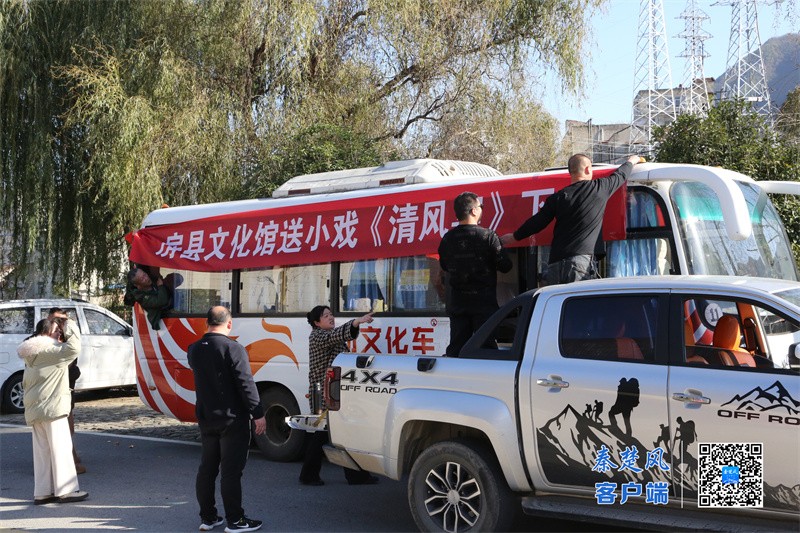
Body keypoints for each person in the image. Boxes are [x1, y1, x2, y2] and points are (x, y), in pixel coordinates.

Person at [501, 154, 641, 286]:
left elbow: (537, 222)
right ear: (587, 169)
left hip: (554, 264)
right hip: (580, 264)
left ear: (571, 172)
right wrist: (632, 160)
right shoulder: (598, 188)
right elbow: (621, 175)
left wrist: (514, 236)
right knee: (579, 303)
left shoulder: (558, 197)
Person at [187, 306, 265, 533]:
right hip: (232, 419)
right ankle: (236, 520)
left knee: (207, 469)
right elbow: (246, 383)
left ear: (207, 323)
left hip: (207, 417)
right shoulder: (233, 348)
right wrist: (258, 413)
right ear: (229, 324)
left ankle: (208, 517)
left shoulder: (194, 349)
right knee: (231, 472)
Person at [299, 305, 379, 486]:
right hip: (323, 392)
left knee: (341, 432)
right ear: (317, 323)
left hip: (332, 391)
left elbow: (342, 335)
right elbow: (338, 335)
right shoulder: (318, 336)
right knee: (323, 435)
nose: (331, 317)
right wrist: (358, 321)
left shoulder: (330, 336)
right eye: (325, 316)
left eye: (331, 314)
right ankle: (310, 475)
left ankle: (354, 476)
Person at [17, 316, 88, 504]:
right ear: (46, 333)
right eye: (56, 331)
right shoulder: (51, 351)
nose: (59, 334)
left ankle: (43, 492)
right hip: (52, 408)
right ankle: (66, 490)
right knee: (61, 449)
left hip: (36, 410)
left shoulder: (31, 353)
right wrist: (69, 324)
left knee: (42, 453)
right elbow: (74, 348)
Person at [438, 191, 512, 356]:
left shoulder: (447, 239)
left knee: (457, 349)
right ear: (473, 211)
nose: (481, 209)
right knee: (486, 350)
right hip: (484, 304)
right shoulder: (488, 236)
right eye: (481, 206)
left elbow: (445, 266)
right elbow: (506, 266)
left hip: (458, 304)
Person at [48, 307, 85, 475]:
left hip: (65, 389)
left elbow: (73, 365)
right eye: (56, 320)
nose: (59, 324)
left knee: (67, 423)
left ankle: (71, 456)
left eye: (62, 320)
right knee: (56, 427)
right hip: (52, 392)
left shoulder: (64, 338)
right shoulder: (44, 340)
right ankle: (65, 463)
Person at [124, 266, 172, 330]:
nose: (146, 278)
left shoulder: (152, 280)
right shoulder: (141, 297)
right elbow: (161, 301)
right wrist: (161, 287)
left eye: (144, 274)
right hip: (163, 325)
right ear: (137, 285)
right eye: (142, 279)